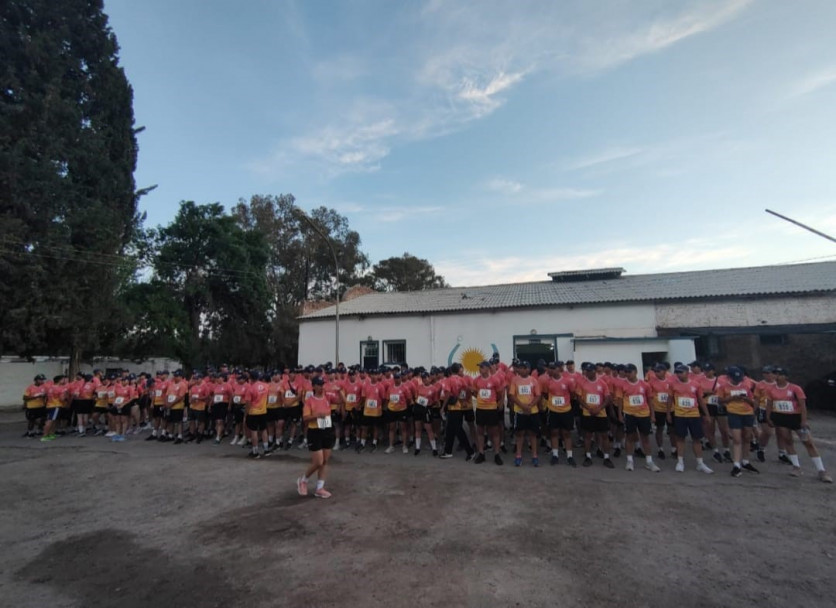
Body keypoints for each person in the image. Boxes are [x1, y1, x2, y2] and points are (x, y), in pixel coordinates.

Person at [766, 367, 832, 483]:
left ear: (786, 377)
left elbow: (803, 406)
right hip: (781, 417)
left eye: (779, 375)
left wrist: (804, 421)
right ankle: (796, 466)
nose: (777, 377)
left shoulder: (795, 388)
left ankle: (821, 470)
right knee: (788, 441)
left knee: (808, 442)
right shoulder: (771, 389)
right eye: (775, 374)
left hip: (795, 417)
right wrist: (768, 417)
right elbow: (770, 404)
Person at [668, 363, 713, 474]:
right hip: (680, 415)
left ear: (687, 373)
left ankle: (700, 463)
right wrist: (668, 413)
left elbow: (701, 400)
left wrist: (706, 414)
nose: (678, 375)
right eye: (677, 372)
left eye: (681, 372)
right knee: (680, 438)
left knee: (697, 439)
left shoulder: (696, 384)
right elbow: (669, 399)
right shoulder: (673, 385)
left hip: (694, 414)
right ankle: (680, 461)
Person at [297, 376, 337, 498]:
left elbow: (341, 400)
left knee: (324, 461)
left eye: (322, 384)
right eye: (319, 385)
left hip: (327, 430)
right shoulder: (309, 401)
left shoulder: (327, 397)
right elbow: (305, 418)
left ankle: (320, 488)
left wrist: (339, 390)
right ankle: (303, 480)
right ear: (313, 386)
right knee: (318, 462)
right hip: (315, 432)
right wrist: (317, 416)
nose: (321, 387)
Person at [717, 366, 759, 478]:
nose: (737, 381)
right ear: (729, 377)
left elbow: (753, 401)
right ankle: (736, 463)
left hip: (747, 412)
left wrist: (747, 400)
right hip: (733, 413)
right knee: (736, 438)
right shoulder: (723, 387)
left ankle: (745, 461)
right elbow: (720, 400)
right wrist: (731, 398)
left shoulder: (746, 386)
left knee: (747, 437)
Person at [617, 364, 660, 472]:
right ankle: (629, 460)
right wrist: (620, 414)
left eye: (629, 372)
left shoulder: (645, 385)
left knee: (645, 438)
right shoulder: (622, 385)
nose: (627, 374)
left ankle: (649, 461)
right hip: (629, 414)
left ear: (635, 372)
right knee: (629, 437)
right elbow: (620, 401)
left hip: (644, 414)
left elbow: (650, 400)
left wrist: (652, 415)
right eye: (626, 372)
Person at [575, 362, 614, 468]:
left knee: (604, 435)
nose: (586, 373)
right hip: (587, 413)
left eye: (589, 371)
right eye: (585, 371)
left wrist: (599, 408)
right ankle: (588, 457)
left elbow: (607, 398)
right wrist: (588, 408)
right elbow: (579, 397)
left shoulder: (602, 383)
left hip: (600, 413)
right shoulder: (582, 383)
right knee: (588, 435)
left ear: (594, 371)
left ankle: (606, 457)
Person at [543, 361, 576, 467]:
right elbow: (545, 394)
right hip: (553, 411)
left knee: (566, 433)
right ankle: (555, 455)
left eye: (553, 368)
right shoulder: (547, 382)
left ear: (559, 369)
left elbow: (572, 394)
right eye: (550, 368)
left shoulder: (568, 381)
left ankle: (569, 456)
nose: (551, 370)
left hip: (566, 411)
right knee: (554, 433)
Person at [508, 361, 541, 467]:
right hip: (520, 411)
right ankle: (518, 456)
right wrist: (523, 406)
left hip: (532, 411)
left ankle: (534, 456)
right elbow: (512, 395)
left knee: (533, 434)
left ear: (528, 369)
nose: (521, 370)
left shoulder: (533, 380)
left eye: (523, 368)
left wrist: (530, 406)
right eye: (520, 368)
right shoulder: (515, 380)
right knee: (520, 434)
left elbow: (538, 395)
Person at [472, 361, 505, 465]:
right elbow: (475, 392)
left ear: (487, 368)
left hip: (491, 409)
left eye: (482, 367)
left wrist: (498, 403)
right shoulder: (476, 380)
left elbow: (500, 393)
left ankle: (496, 454)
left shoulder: (495, 379)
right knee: (480, 431)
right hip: (480, 409)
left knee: (494, 432)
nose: (480, 369)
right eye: (479, 367)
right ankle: (481, 453)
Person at [647, 363, 675, 459]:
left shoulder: (671, 381)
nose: (656, 373)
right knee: (660, 429)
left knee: (672, 430)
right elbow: (650, 398)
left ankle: (674, 449)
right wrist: (652, 414)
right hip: (658, 409)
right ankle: (660, 449)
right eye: (655, 371)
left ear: (664, 372)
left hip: (671, 409)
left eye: (658, 371)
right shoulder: (651, 382)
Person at [412, 371, 440, 456]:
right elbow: (416, 397)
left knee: (428, 428)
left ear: (429, 378)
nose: (424, 380)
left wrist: (429, 405)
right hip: (418, 408)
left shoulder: (433, 389)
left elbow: (436, 401)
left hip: (427, 409)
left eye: (426, 378)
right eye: (423, 378)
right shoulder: (419, 387)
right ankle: (417, 447)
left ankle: (434, 448)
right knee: (418, 428)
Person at [384, 373, 412, 454]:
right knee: (392, 428)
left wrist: (403, 405)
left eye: (398, 378)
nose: (397, 379)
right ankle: (391, 446)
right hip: (391, 410)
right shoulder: (390, 387)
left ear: (401, 378)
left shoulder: (405, 388)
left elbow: (409, 399)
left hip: (402, 410)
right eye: (395, 378)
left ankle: (404, 446)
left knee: (403, 428)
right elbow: (387, 398)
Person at [40, 375, 68, 442]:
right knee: (50, 421)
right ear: (60, 380)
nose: (64, 381)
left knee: (53, 420)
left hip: (49, 405)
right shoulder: (60, 388)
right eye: (63, 379)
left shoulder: (50, 387)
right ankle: (45, 435)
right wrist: (65, 396)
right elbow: (62, 399)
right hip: (56, 405)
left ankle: (51, 433)